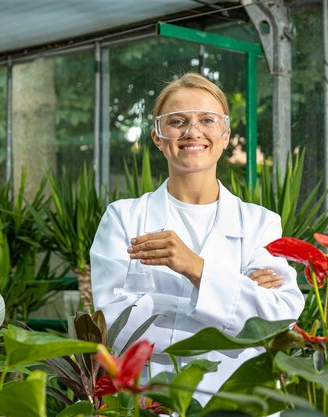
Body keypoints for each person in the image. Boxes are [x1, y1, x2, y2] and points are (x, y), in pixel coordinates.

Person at [90, 72, 304, 404]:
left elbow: (277, 317)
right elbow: (118, 329)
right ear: (158, 137)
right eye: (177, 121)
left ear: (225, 134)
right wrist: (235, 295)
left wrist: (196, 269)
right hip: (153, 401)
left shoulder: (260, 223)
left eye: (207, 120)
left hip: (240, 403)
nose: (193, 132)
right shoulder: (124, 218)